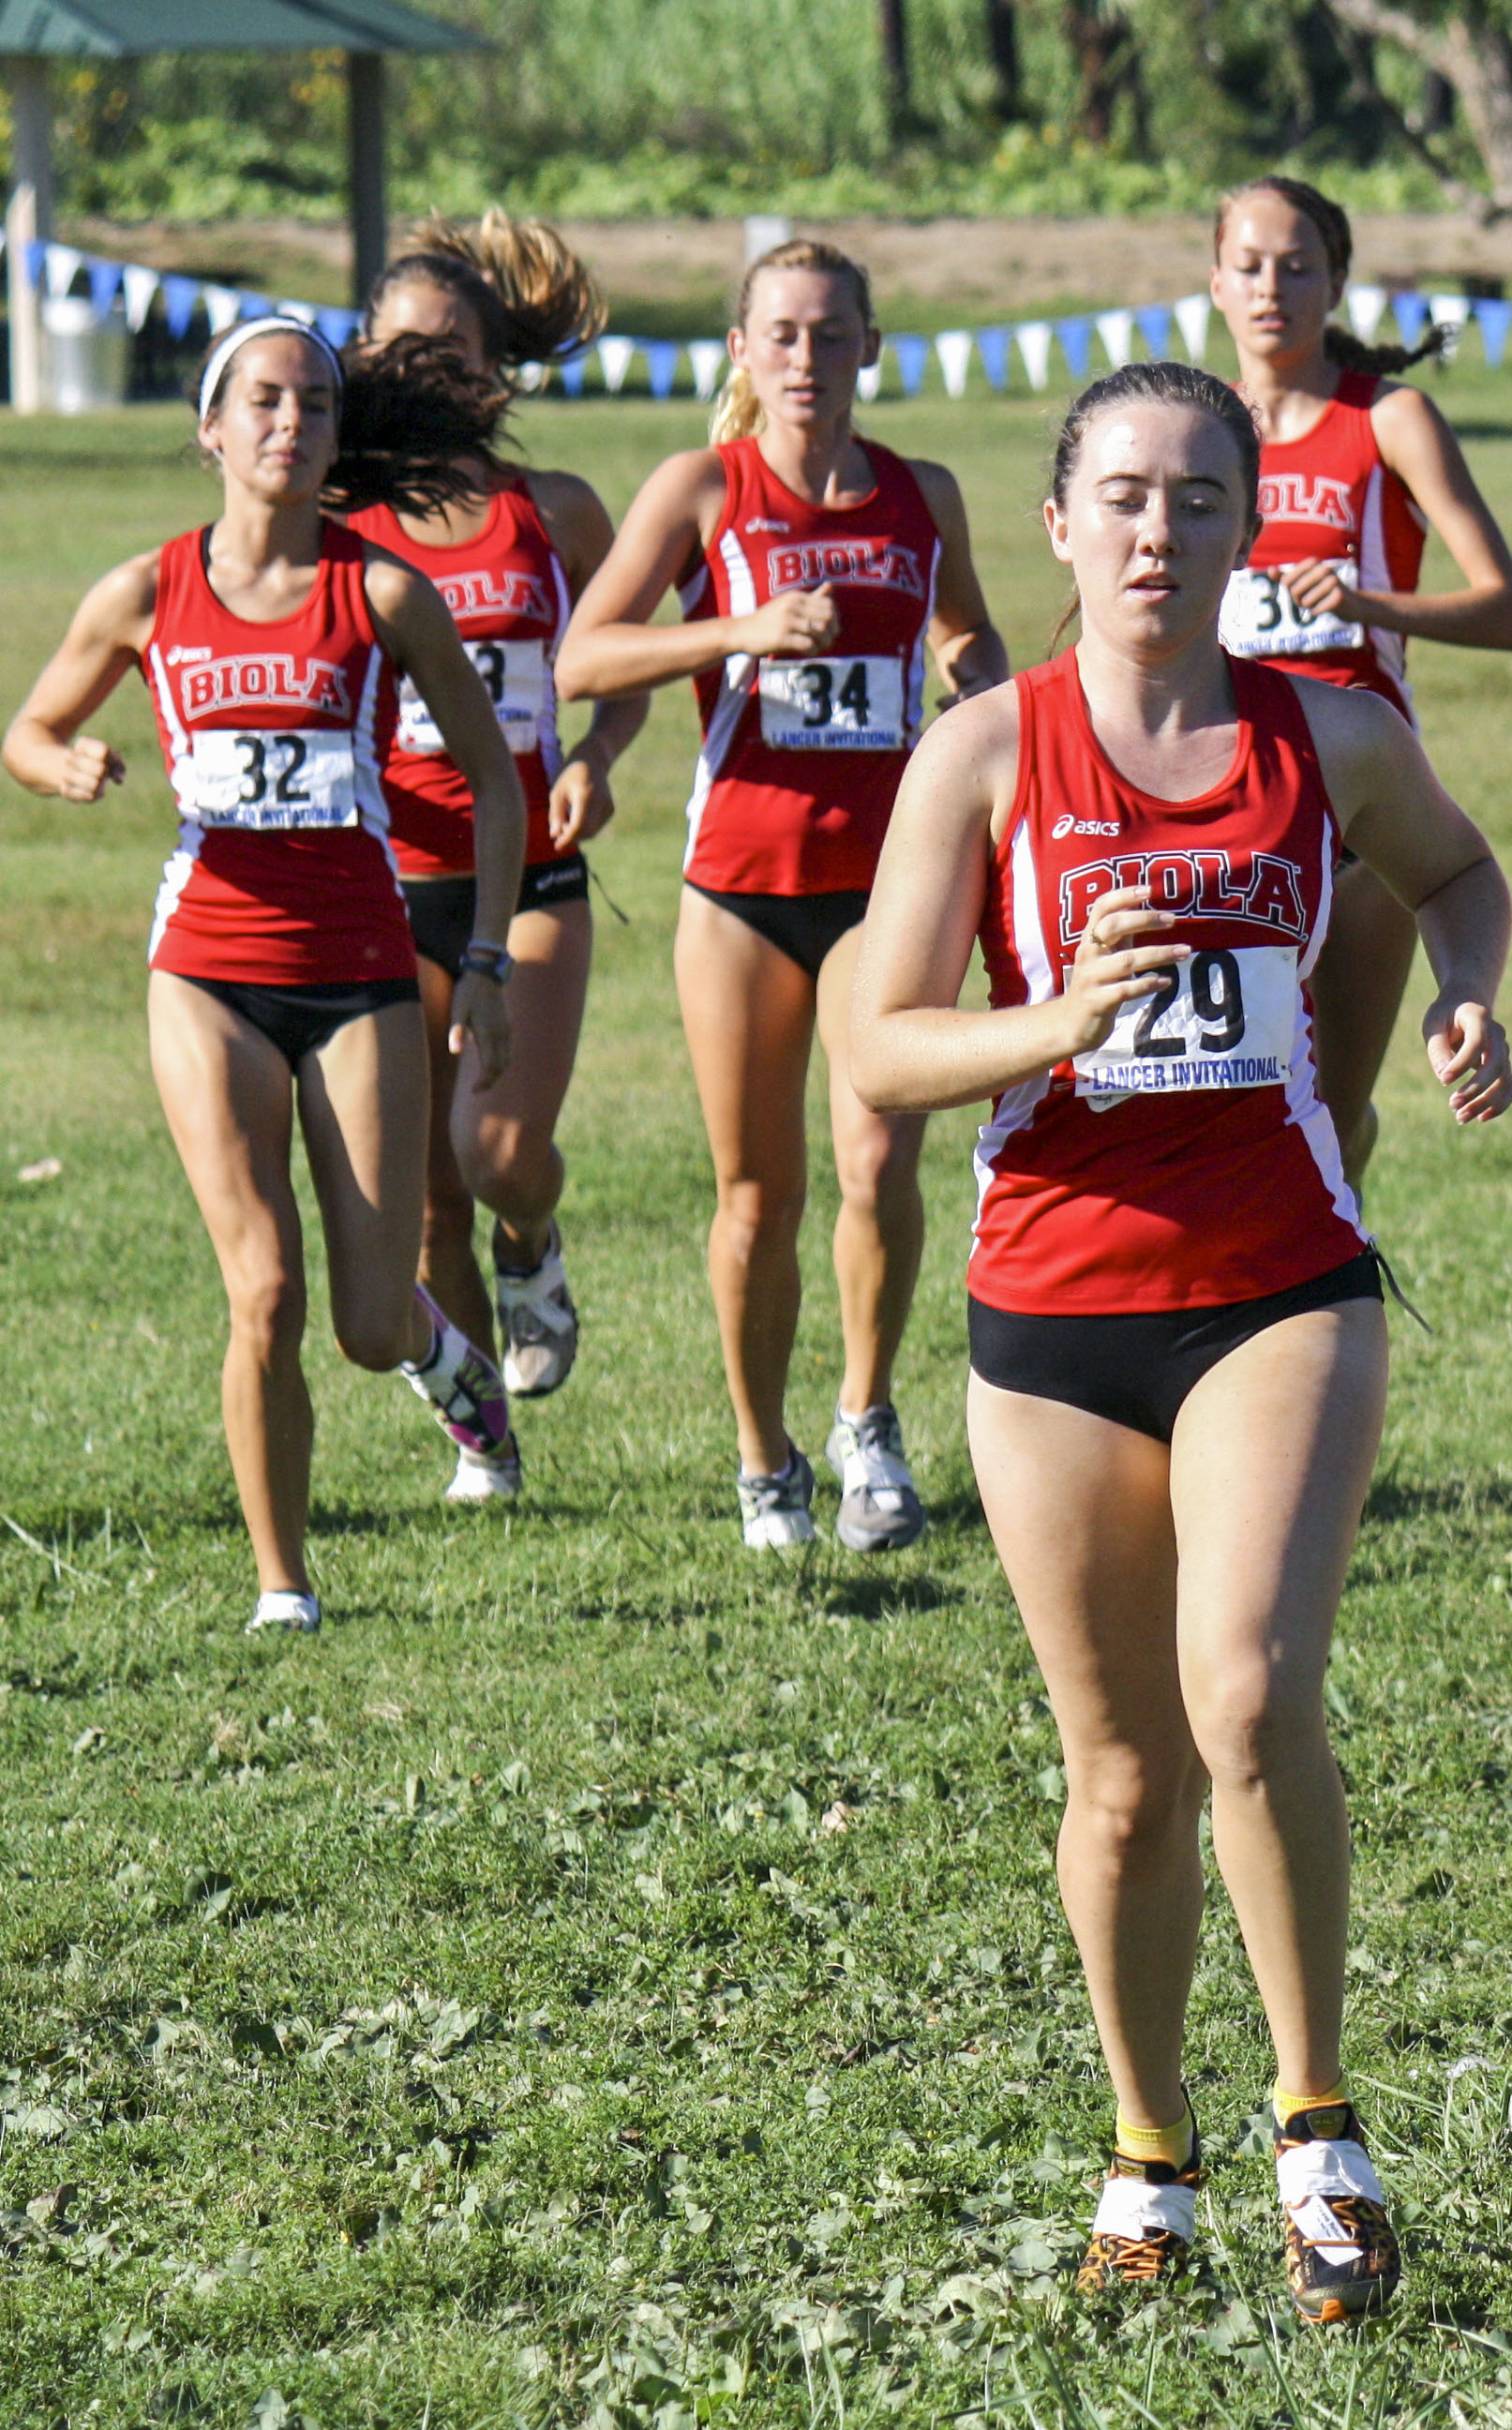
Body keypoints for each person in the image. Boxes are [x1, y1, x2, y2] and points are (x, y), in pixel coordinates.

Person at [852, 359, 1512, 2323]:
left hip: (1277, 1281)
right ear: (1060, 527)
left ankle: (1320, 2127)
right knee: (1124, 1770)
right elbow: (878, 1044)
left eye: (1200, 500)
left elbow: (1462, 874)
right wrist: (1048, 1027)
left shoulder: (1324, 738)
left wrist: (1468, 994)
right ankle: (1151, 2154)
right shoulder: (983, 754)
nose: (1160, 532)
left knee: (1245, 1691)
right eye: (1124, 498)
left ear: (1249, 530)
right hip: (1050, 1309)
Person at [3, 320, 527, 1628]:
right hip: (205, 972)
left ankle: (449, 1365)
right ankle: (282, 1583)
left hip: (360, 972)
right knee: (264, 1285)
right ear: (212, 429)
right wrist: (58, 763)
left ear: (337, 438)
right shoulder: (143, 591)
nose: (290, 425)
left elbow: (495, 778)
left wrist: (487, 957)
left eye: (314, 407)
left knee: (363, 1319)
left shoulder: (386, 595)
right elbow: (30, 724)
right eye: (264, 404)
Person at [559, 239, 1008, 1553]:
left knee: (880, 1163)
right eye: (782, 335)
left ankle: (869, 1422)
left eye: (832, 333)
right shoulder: (706, 488)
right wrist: (734, 633)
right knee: (758, 1194)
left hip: (887, 883)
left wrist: (982, 690)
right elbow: (587, 655)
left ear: (872, 347)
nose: (807, 359)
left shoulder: (922, 494)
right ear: (743, 352)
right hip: (741, 886)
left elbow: (962, 629)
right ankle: (767, 1461)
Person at [347, 209, 643, 1415]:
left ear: (494, 368)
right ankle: (485, 1441)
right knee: (424, 1201)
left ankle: (533, 1245)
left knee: (499, 1150)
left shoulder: (553, 510)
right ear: (364, 362)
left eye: (454, 351)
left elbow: (624, 655)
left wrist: (600, 752)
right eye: (403, 351)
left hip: (528, 868)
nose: (430, 372)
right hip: (381, 883)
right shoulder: (332, 521)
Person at [1211, 175, 1512, 1184]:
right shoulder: (1189, 424)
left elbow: (1509, 612)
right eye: (1251, 266)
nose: (1274, 288)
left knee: (1331, 1119)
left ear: (1338, 281)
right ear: (1214, 281)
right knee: (1226, 1099)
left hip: (1356, 800)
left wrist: (1367, 607)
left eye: (1300, 267)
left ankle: (1334, 1293)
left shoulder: (1388, 420)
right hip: (1214, 799)